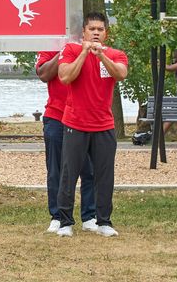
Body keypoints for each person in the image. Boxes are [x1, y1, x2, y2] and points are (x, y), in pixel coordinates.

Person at [54, 12, 128, 238]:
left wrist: (101, 56)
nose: (96, 32)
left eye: (100, 29)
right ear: (84, 32)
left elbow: (121, 74)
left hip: (103, 125)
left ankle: (103, 221)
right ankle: (65, 222)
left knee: (104, 175)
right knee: (69, 174)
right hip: (75, 123)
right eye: (92, 29)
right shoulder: (71, 50)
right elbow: (65, 77)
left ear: (106, 33)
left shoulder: (116, 55)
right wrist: (85, 53)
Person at [36, 50, 97, 234]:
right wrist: (63, 51)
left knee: (89, 169)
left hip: (85, 117)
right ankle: (57, 217)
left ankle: (90, 216)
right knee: (56, 170)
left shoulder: (91, 47)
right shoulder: (51, 46)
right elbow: (44, 74)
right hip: (56, 116)